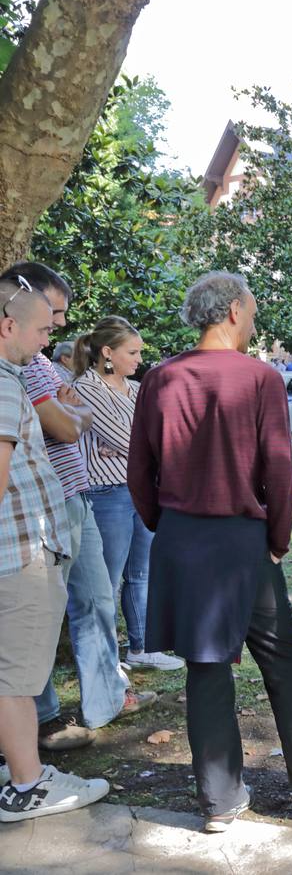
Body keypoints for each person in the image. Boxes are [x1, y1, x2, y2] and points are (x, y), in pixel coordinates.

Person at [128, 271, 292, 833]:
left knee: (205, 665)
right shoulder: (259, 378)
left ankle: (220, 800)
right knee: (283, 659)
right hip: (242, 539)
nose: (254, 320)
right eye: (253, 311)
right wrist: (278, 539)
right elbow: (278, 470)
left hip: (184, 536)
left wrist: (167, 524)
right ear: (234, 310)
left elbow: (139, 470)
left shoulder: (160, 378)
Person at [12, 264, 153, 754]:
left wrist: (69, 412)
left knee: (95, 599)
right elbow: (73, 426)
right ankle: (44, 719)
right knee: (42, 614)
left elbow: (76, 419)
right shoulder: (24, 365)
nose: (58, 327)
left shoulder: (42, 363)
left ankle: (106, 698)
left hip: (73, 497)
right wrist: (71, 413)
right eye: (53, 315)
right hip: (50, 506)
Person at [0, 271, 113, 824]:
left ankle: (19, 767)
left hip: (22, 545)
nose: (51, 340)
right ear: (8, 324)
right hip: (17, 551)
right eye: (44, 328)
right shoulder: (4, 381)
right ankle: (27, 785)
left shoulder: (14, 375)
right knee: (17, 678)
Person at [71, 317, 183, 673]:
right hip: (107, 494)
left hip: (141, 489)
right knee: (107, 578)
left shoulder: (136, 389)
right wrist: (135, 445)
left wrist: (133, 446)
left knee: (141, 573)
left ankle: (142, 647)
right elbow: (131, 440)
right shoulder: (86, 388)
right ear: (107, 352)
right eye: (132, 352)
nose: (138, 359)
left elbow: (161, 434)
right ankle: (103, 659)